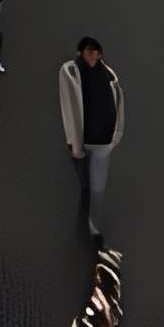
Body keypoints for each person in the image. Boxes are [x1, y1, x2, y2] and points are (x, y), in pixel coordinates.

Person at [58, 36, 125, 240]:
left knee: (98, 188)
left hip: (103, 141)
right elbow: (68, 108)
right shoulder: (70, 73)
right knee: (82, 172)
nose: (93, 56)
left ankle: (94, 227)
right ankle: (84, 185)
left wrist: (117, 134)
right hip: (82, 138)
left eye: (96, 52)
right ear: (80, 53)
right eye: (88, 51)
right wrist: (72, 140)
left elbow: (119, 104)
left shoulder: (109, 75)